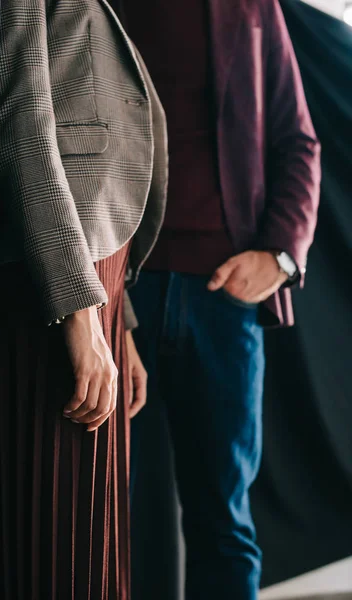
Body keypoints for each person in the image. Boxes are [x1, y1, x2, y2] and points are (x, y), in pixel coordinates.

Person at [116, 0, 321, 598]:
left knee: (223, 526)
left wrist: (278, 258)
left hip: (223, 300)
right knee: (108, 517)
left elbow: (299, 142)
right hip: (120, 302)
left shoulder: (253, 7)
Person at [0, 1, 167, 598]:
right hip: (56, 274)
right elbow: (22, 125)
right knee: (67, 549)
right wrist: (78, 309)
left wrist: (122, 324)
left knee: (96, 539)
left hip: (96, 287)